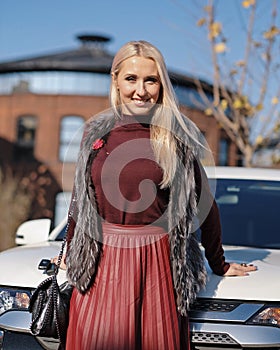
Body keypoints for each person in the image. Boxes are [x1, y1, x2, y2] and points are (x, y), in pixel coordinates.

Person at [54, 40, 256, 350]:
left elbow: (204, 204)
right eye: (131, 79)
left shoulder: (176, 136)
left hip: (156, 264)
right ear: (116, 80)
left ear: (161, 84)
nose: (141, 90)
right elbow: (80, 202)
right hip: (100, 266)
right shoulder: (94, 133)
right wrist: (70, 251)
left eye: (151, 80)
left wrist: (220, 262)